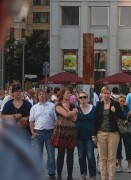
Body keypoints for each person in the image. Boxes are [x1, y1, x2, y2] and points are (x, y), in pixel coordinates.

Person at [0, 1, 43, 179]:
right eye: (14, 10)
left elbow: (30, 116)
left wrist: (25, 120)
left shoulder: (27, 103)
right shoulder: (13, 154)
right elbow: (3, 116)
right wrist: (15, 117)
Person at [92, 86, 126, 180]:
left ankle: (111, 177)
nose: (106, 95)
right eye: (104, 93)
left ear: (110, 94)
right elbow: (95, 120)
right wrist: (94, 135)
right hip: (101, 133)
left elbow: (123, 117)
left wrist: (115, 111)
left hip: (113, 133)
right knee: (102, 157)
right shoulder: (99, 104)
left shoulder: (115, 104)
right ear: (102, 94)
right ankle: (103, 177)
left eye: (108, 93)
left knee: (111, 157)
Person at [29, 89, 57, 179]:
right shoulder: (34, 107)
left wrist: (55, 132)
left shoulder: (52, 106)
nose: (42, 96)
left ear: (46, 95)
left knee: (51, 154)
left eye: (43, 94)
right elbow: (31, 121)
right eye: (40, 94)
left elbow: (56, 120)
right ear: (37, 96)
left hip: (50, 132)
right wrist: (32, 132)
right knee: (38, 154)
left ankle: (51, 172)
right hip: (38, 133)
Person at [54, 88, 78, 180]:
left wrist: (71, 111)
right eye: (68, 93)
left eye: (70, 93)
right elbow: (67, 115)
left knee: (70, 154)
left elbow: (74, 119)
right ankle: (59, 175)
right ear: (63, 94)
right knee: (61, 153)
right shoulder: (58, 105)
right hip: (61, 131)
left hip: (71, 131)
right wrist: (73, 111)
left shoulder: (72, 105)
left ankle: (70, 176)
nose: (70, 94)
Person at [76, 92, 97, 180]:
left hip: (90, 135)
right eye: (81, 97)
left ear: (87, 98)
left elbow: (97, 122)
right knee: (81, 156)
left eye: (84, 97)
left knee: (90, 155)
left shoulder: (93, 108)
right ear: (79, 99)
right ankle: (83, 174)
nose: (83, 99)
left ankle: (92, 175)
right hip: (79, 135)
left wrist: (96, 135)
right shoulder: (76, 109)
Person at [116, 95, 131, 173]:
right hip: (117, 130)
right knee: (118, 148)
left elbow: (130, 117)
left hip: (126, 130)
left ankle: (129, 166)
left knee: (128, 147)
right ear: (118, 102)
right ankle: (119, 166)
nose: (122, 102)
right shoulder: (115, 108)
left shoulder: (126, 108)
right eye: (120, 101)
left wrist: (128, 120)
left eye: (123, 101)